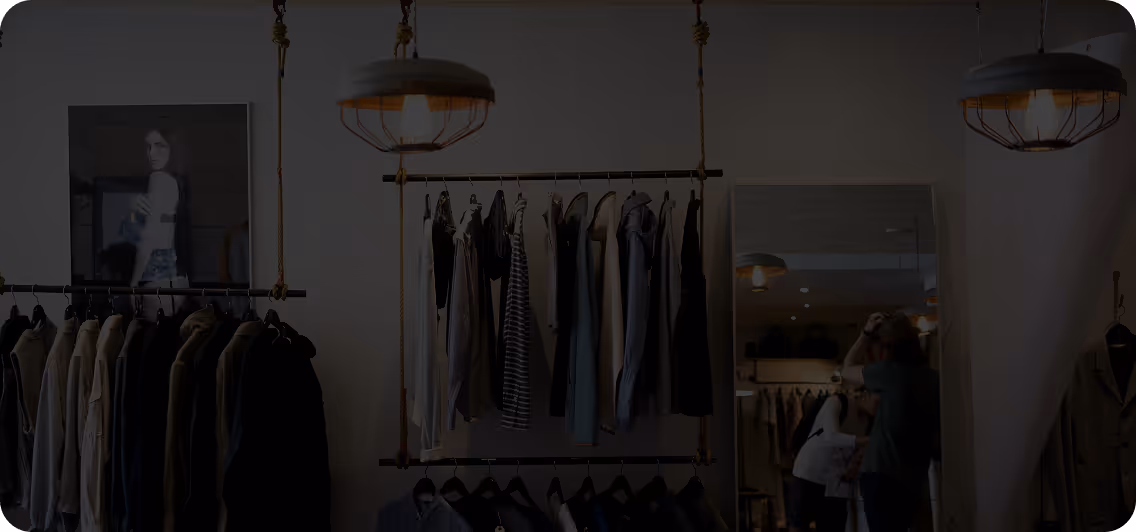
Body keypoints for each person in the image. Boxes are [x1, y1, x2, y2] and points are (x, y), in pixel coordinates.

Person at [841, 312, 941, 532]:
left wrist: (865, 334)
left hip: (882, 473)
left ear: (888, 346)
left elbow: (846, 368)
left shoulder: (888, 373)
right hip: (914, 476)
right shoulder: (933, 379)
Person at [787, 389, 872, 532]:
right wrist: (863, 441)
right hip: (810, 474)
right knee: (799, 526)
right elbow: (830, 437)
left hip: (836, 483)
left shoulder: (870, 422)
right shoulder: (836, 402)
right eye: (877, 396)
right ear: (865, 394)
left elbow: (857, 458)